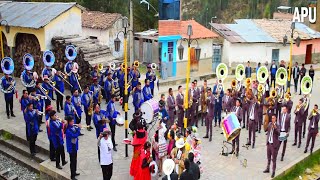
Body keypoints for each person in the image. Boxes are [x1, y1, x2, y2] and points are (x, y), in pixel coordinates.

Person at [65, 116, 81, 180]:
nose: (73, 122)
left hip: (75, 146)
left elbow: (76, 131)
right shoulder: (68, 130)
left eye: (73, 121)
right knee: (72, 161)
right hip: (71, 147)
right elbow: (74, 135)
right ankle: (72, 175)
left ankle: (74, 171)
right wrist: (79, 129)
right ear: (68, 122)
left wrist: (78, 127)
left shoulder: (73, 127)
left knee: (75, 160)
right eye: (72, 121)